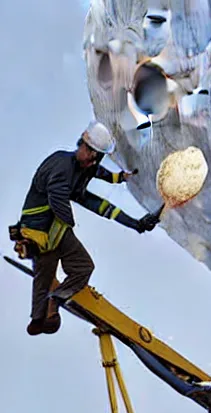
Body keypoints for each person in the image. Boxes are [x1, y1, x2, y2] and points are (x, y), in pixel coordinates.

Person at [13, 120, 161, 336]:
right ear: (81, 144)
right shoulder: (62, 164)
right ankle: (38, 319)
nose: (93, 159)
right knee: (44, 273)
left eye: (98, 156)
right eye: (91, 152)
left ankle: (56, 300)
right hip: (38, 231)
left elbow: (99, 202)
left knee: (83, 267)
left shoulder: (85, 170)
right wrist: (70, 221)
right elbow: (57, 198)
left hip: (56, 231)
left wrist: (135, 223)